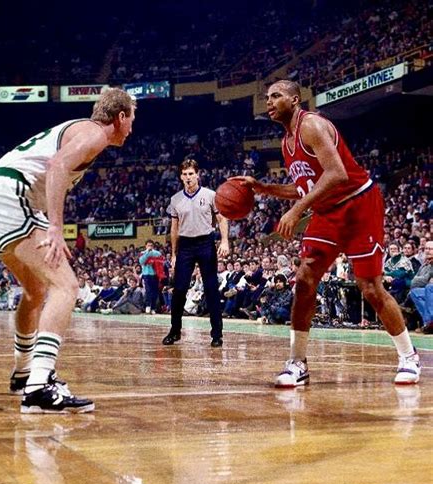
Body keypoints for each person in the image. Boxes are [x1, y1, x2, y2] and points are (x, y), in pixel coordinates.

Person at [243, 79, 420, 387]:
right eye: (266, 97)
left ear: (295, 99)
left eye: (276, 95)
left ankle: (408, 355)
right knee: (304, 279)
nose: (269, 102)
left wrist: (297, 210)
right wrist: (265, 188)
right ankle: (297, 362)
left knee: (370, 288)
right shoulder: (287, 143)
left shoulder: (311, 125)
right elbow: (306, 186)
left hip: (358, 204)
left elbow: (337, 174)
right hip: (328, 212)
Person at [0, 87, 136, 413]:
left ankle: (23, 373)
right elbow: (58, 165)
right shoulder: (94, 133)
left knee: (35, 291)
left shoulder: (77, 130)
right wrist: (56, 228)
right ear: (120, 117)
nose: (132, 128)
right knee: (67, 286)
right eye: (132, 119)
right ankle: (39, 386)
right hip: (9, 197)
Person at [162, 159, 229, 347]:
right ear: (180, 176)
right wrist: (173, 254)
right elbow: (174, 229)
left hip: (206, 242)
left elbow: (222, 219)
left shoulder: (210, 195)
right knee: (179, 289)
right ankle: (175, 331)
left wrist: (224, 241)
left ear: (197, 174)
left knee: (210, 289)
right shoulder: (175, 199)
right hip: (185, 245)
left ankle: (217, 334)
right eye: (184, 174)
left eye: (191, 173)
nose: (188, 177)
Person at [138, 239, 163, 314]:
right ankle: (148, 306)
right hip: (146, 274)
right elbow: (141, 262)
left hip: (155, 274)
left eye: (151, 245)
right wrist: (147, 254)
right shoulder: (142, 253)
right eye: (148, 245)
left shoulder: (157, 253)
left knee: (155, 291)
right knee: (148, 290)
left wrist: (153, 260)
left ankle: (153, 307)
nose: (150, 247)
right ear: (146, 246)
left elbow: (161, 261)